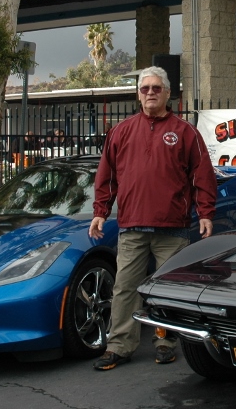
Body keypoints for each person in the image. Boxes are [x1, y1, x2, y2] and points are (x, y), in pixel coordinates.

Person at [88, 66, 217, 370]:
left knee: (165, 290)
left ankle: (165, 341)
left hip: (173, 228)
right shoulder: (121, 131)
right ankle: (119, 346)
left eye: (156, 88)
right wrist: (100, 211)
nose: (150, 93)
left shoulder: (186, 132)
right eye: (144, 88)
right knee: (124, 289)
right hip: (131, 226)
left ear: (168, 93)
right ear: (138, 94)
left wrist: (205, 213)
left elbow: (203, 176)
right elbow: (106, 177)